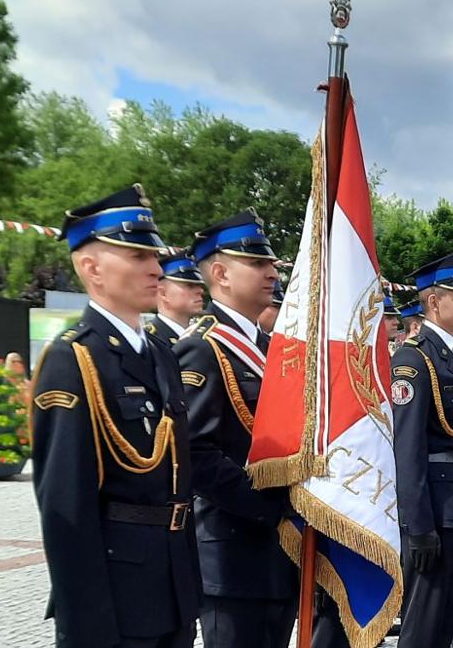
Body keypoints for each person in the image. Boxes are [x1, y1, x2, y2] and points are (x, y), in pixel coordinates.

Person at [30, 184, 197, 647]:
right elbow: (65, 506)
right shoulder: (74, 359)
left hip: (171, 586)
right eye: (137, 256)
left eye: (155, 256)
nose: (156, 268)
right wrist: (86, 619)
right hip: (116, 595)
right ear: (91, 267)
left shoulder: (162, 352)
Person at [171, 211, 293, 648]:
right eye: (258, 264)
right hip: (232, 550)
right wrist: (273, 505)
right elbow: (196, 455)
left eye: (272, 264)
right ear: (220, 273)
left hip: (278, 551)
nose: (273, 273)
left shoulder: (270, 349)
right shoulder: (201, 349)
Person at [391, 252, 453, 648]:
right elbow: (408, 449)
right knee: (422, 626)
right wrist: (418, 526)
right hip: (434, 511)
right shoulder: (413, 360)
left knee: (446, 620)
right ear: (434, 302)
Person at [145, 247, 206, 343]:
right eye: (190, 286)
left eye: (199, 285)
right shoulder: (150, 341)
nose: (201, 291)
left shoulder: (204, 336)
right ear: (163, 294)